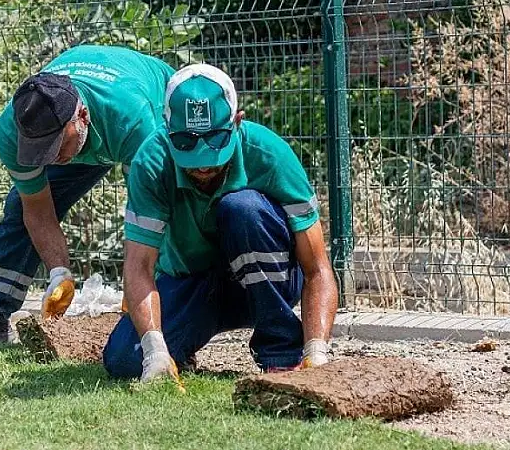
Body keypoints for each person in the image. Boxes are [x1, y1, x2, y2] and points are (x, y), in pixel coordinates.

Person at [102, 63, 339, 382]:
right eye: (186, 145)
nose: (202, 167)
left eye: (214, 143)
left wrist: (317, 351)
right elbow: (138, 266)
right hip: (194, 283)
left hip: (270, 280)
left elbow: (317, 267)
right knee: (124, 361)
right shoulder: (151, 163)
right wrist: (156, 350)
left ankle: (282, 354)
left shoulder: (270, 155)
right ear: (167, 129)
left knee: (242, 208)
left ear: (237, 123)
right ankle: (179, 349)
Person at [0, 45, 175, 341]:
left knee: (167, 205)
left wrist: (137, 285)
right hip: (91, 134)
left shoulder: (132, 119)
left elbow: (147, 211)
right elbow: (37, 209)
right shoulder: (13, 130)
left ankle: (172, 306)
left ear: (81, 116)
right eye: (39, 151)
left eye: (56, 146)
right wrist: (59, 273)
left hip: (151, 107)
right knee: (21, 203)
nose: (49, 157)